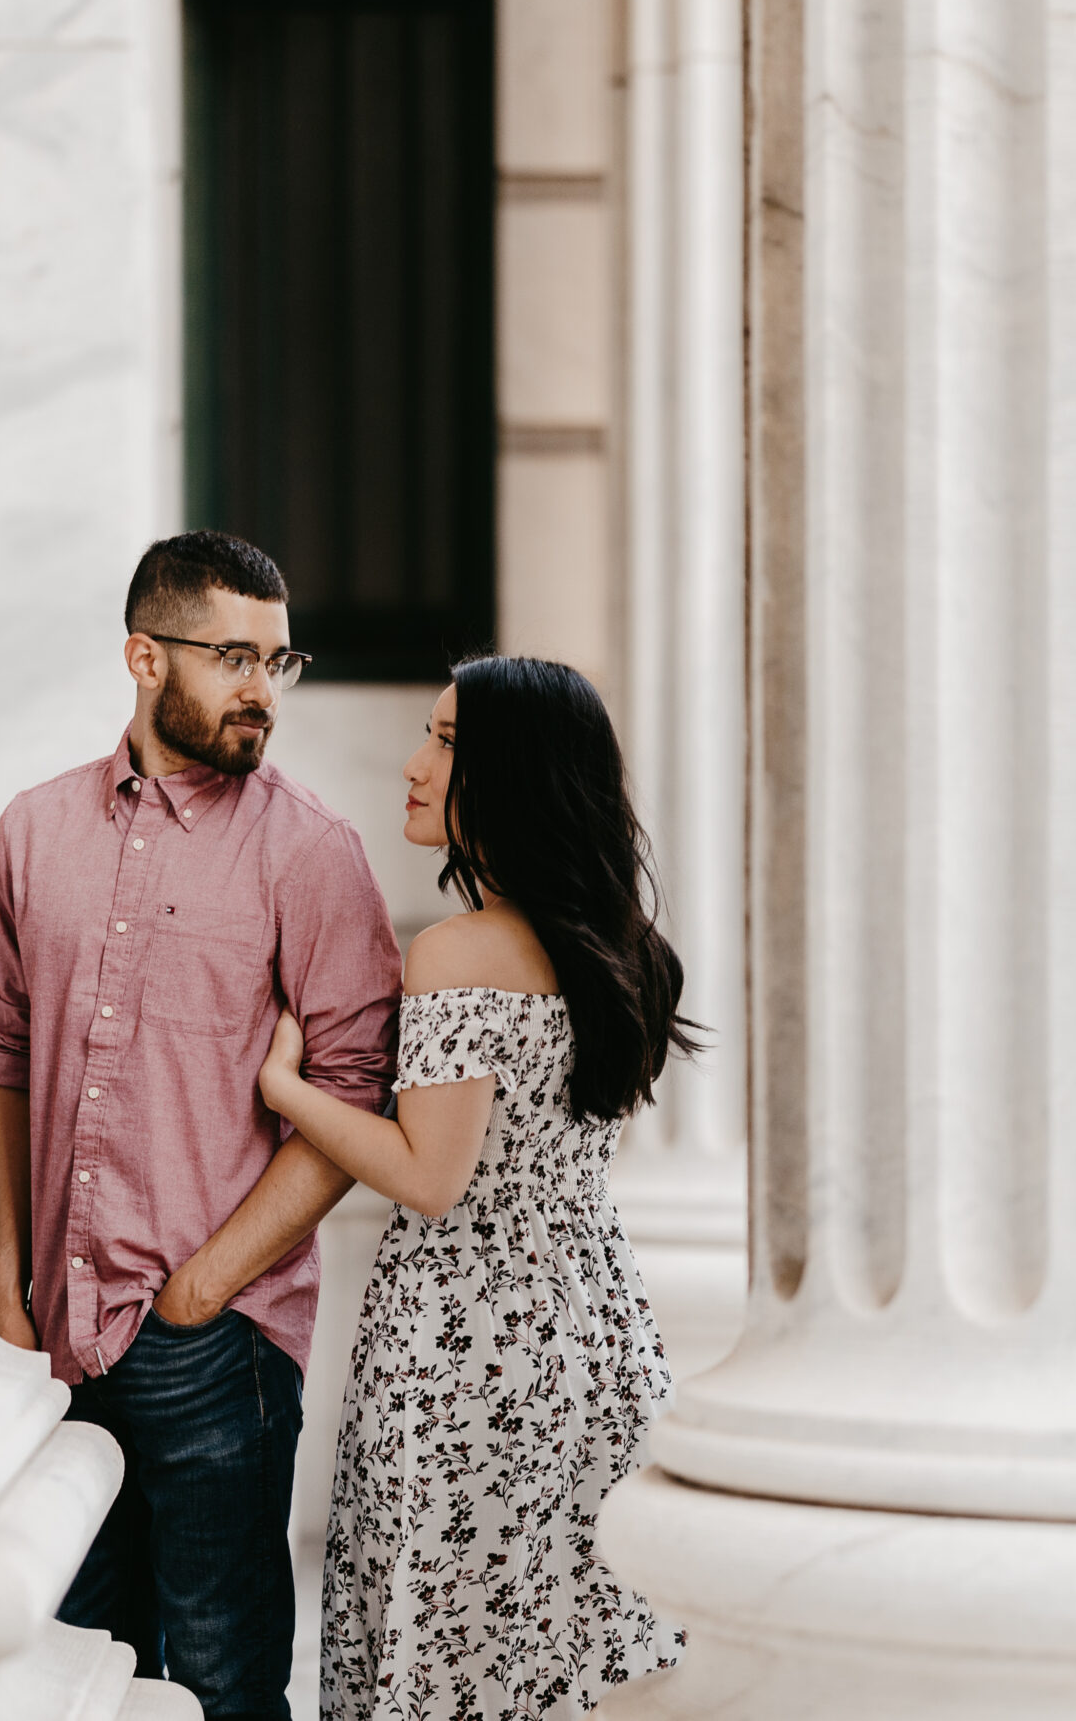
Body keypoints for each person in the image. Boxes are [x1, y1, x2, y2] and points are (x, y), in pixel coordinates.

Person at [0, 531, 404, 1720]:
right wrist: (7, 1274)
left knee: (225, 1684)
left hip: (213, 1346)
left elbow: (358, 1090)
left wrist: (205, 1285)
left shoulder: (310, 853)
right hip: (58, 1340)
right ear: (143, 656)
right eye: (232, 657)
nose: (263, 689)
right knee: (81, 1674)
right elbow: (10, 1062)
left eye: (280, 660)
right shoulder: (28, 831)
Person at [255, 655, 695, 1721]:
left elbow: (428, 1175)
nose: (415, 763)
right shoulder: (621, 950)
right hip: (594, 1339)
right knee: (561, 1653)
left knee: (448, 1655)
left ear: (516, 770)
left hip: (469, 1353)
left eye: (448, 740)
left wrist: (286, 1086)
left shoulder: (457, 951)